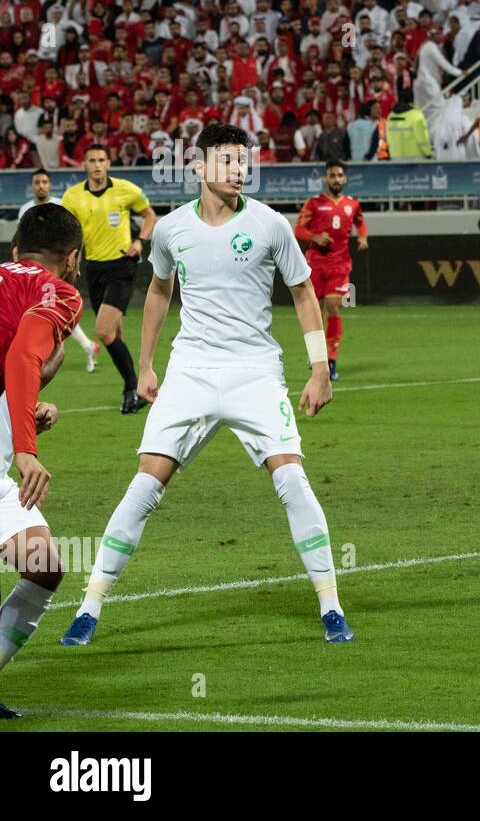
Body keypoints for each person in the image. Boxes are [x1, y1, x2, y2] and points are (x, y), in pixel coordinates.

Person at [61, 123, 354, 648]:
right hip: (191, 370)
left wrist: (317, 369)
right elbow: (157, 291)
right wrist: (146, 367)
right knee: (146, 484)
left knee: (292, 480)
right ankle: (90, 605)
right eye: (226, 161)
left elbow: (304, 293)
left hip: (255, 371)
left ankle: (330, 604)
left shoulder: (270, 225)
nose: (238, 170)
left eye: (243, 161)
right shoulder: (172, 229)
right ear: (198, 168)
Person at [0, 204, 85, 718]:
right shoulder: (58, 292)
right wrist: (28, 451)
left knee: (44, 566)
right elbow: (22, 358)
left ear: (15, 252)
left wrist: (28, 410)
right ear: (72, 258)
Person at [59, 144, 157, 413]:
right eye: (92, 160)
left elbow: (149, 215)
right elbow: (70, 232)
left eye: (102, 159)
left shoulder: (125, 189)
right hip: (94, 268)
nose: (97, 165)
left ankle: (131, 387)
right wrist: (72, 263)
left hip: (122, 265)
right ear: (84, 165)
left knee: (103, 330)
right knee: (115, 333)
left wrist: (139, 242)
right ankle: (138, 387)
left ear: (108, 162)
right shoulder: (72, 196)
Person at [18, 170, 99, 371]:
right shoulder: (25, 210)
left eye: (44, 181)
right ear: (32, 185)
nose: (41, 186)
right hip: (30, 273)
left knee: (51, 312)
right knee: (51, 313)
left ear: (50, 184)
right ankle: (87, 345)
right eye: (37, 182)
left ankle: (83, 347)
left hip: (54, 271)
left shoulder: (61, 206)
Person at [294, 161, 368, 381]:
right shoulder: (314, 203)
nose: (336, 179)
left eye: (339, 175)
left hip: (339, 264)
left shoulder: (353, 204)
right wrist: (314, 237)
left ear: (344, 179)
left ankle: (331, 360)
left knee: (334, 308)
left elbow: (360, 223)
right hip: (315, 263)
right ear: (326, 179)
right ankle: (317, 355)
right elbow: (299, 229)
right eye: (332, 175)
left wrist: (363, 237)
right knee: (314, 312)